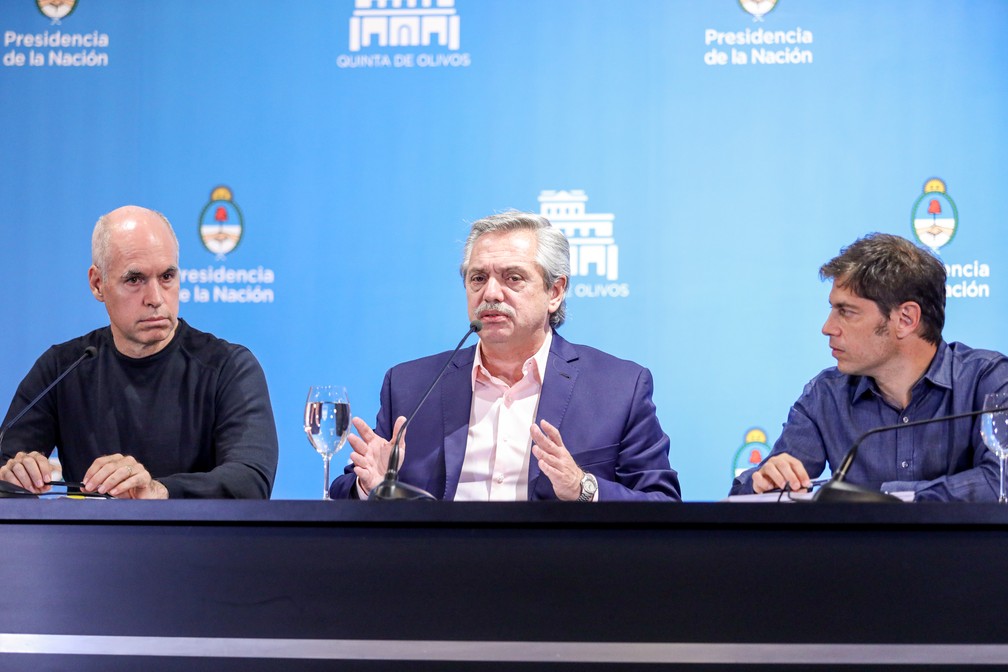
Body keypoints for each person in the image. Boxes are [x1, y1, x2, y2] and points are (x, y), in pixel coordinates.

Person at [329, 211, 680, 501]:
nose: (491, 293)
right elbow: (347, 493)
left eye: (513, 278)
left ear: (555, 292)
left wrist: (582, 488)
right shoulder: (412, 386)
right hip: (439, 563)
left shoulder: (618, 388)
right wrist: (371, 487)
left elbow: (662, 503)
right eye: (478, 278)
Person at [0, 205, 278, 499]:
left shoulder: (228, 367)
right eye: (135, 280)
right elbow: (6, 464)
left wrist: (157, 491)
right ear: (97, 284)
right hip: (89, 530)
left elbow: (250, 480)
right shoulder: (63, 368)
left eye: (167, 276)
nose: (156, 298)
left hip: (193, 530)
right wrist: (13, 475)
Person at [731, 233, 1008, 502]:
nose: (827, 328)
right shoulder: (826, 395)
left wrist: (884, 499)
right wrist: (764, 481)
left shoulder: (988, 381)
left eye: (846, 312)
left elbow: (1000, 481)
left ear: (905, 319)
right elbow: (752, 498)